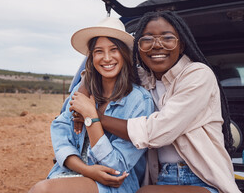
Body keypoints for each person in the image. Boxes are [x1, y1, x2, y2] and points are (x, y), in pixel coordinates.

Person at [74, 11, 240, 193]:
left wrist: (94, 117)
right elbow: (102, 69)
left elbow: (159, 131)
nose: (157, 46)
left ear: (181, 44)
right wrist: (81, 97)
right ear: (138, 48)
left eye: (167, 38)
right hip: (162, 178)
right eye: (147, 40)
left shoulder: (198, 74)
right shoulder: (145, 79)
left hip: (205, 180)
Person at [28, 17, 154, 193]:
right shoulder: (80, 93)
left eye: (114, 50)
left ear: (124, 54)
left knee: (42, 191)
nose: (107, 58)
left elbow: (116, 167)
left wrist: (91, 117)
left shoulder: (139, 100)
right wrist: (86, 170)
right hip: (69, 174)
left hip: (111, 185)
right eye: (99, 51)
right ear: (92, 56)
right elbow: (61, 139)